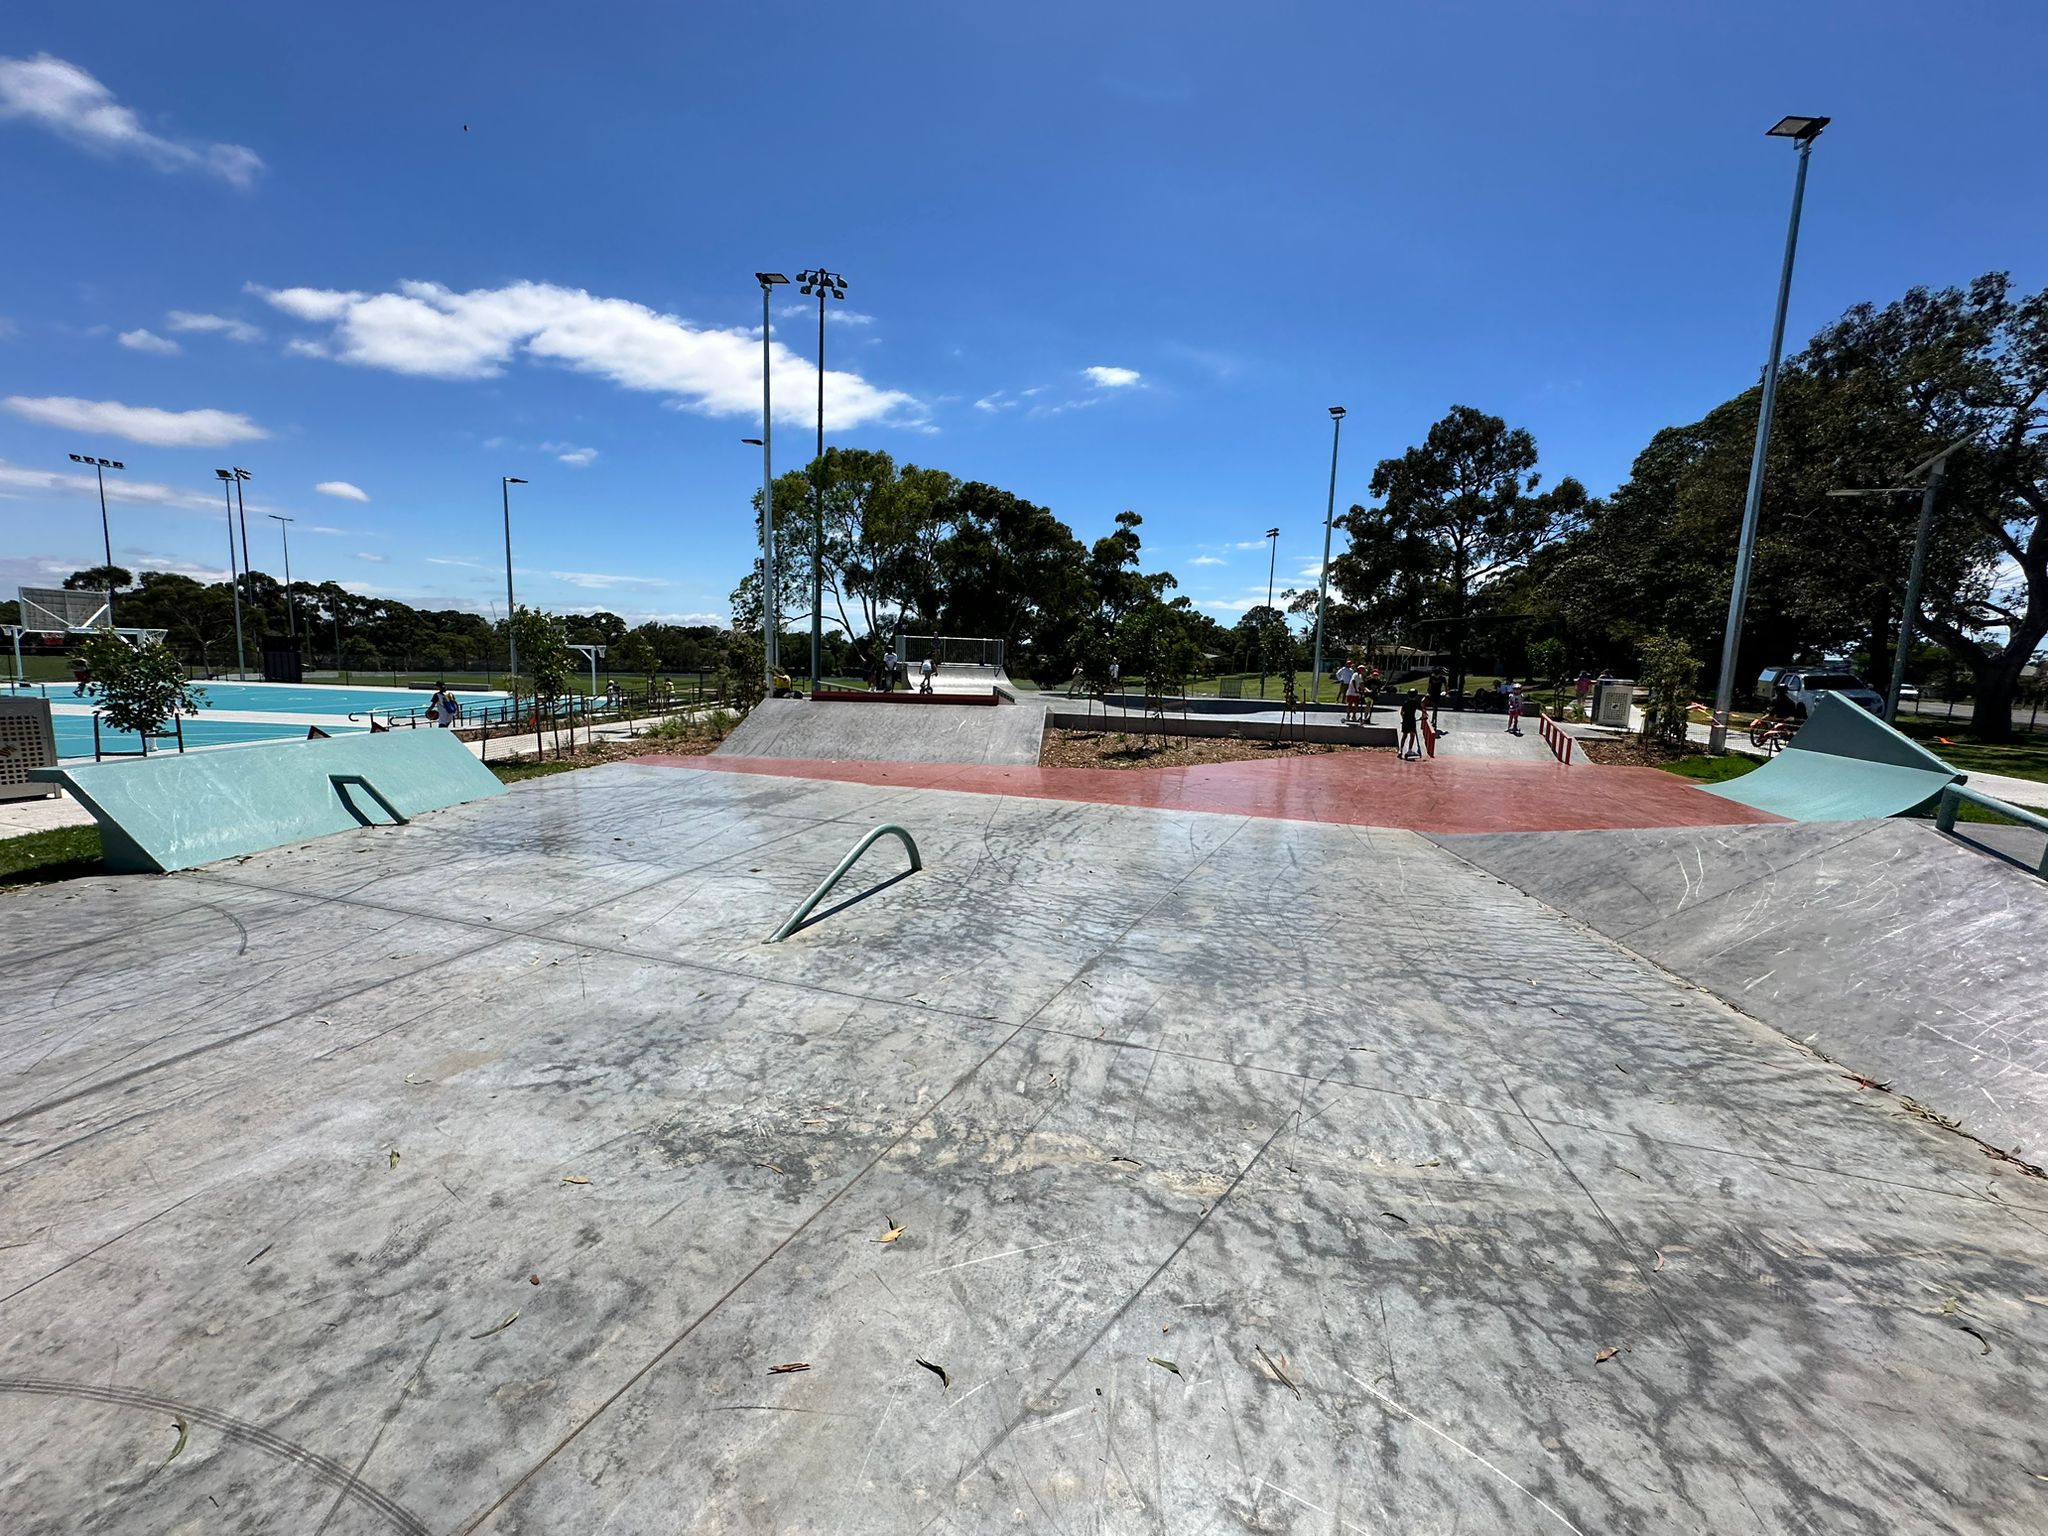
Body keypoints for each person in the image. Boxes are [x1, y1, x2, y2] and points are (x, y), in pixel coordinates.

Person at [1398, 689, 1422, 760]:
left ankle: (1400, 750)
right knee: (1412, 735)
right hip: (1412, 721)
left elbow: (1401, 712)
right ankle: (1409, 750)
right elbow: (1422, 710)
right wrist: (1423, 716)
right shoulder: (1416, 703)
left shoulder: (1405, 703)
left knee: (1404, 735)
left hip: (1405, 720)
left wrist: (1403, 718)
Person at [1426, 669, 1446, 735]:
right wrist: (1428, 692)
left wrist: (1446, 692)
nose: (1437, 676)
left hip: (1437, 694)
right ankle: (1433, 718)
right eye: (1436, 675)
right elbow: (1429, 685)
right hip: (1432, 693)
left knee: (1435, 706)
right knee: (1433, 706)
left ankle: (1434, 718)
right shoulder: (1431, 678)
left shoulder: (1443, 678)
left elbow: (1446, 686)